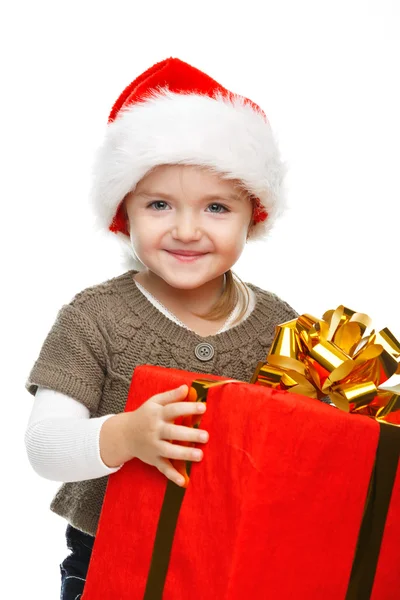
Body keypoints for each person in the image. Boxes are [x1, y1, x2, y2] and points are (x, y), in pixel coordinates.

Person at [24, 57, 299, 600]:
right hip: (110, 556)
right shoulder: (95, 319)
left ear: (255, 215)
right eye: (159, 204)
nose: (187, 229)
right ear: (124, 212)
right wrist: (125, 435)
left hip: (236, 560)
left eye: (216, 206)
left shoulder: (279, 324)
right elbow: (44, 446)